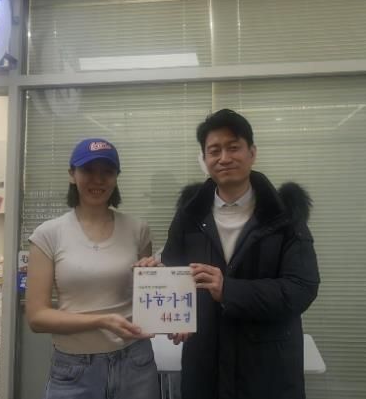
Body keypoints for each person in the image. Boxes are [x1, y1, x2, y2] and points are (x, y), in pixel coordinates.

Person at [161, 109, 320, 399]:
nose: (224, 158)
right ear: (204, 158)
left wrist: (229, 290)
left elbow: (302, 288)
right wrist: (173, 317)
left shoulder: (283, 216)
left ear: (252, 153)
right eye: (214, 150)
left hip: (267, 370)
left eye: (233, 147)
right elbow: (174, 272)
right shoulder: (189, 215)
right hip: (205, 365)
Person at [26, 138, 160, 399]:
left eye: (107, 172)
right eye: (88, 170)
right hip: (75, 369)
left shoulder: (138, 229)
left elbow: (146, 301)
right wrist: (102, 321)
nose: (98, 180)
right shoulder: (48, 234)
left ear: (116, 177)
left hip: (135, 362)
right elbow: (37, 317)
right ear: (72, 174)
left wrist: (158, 280)